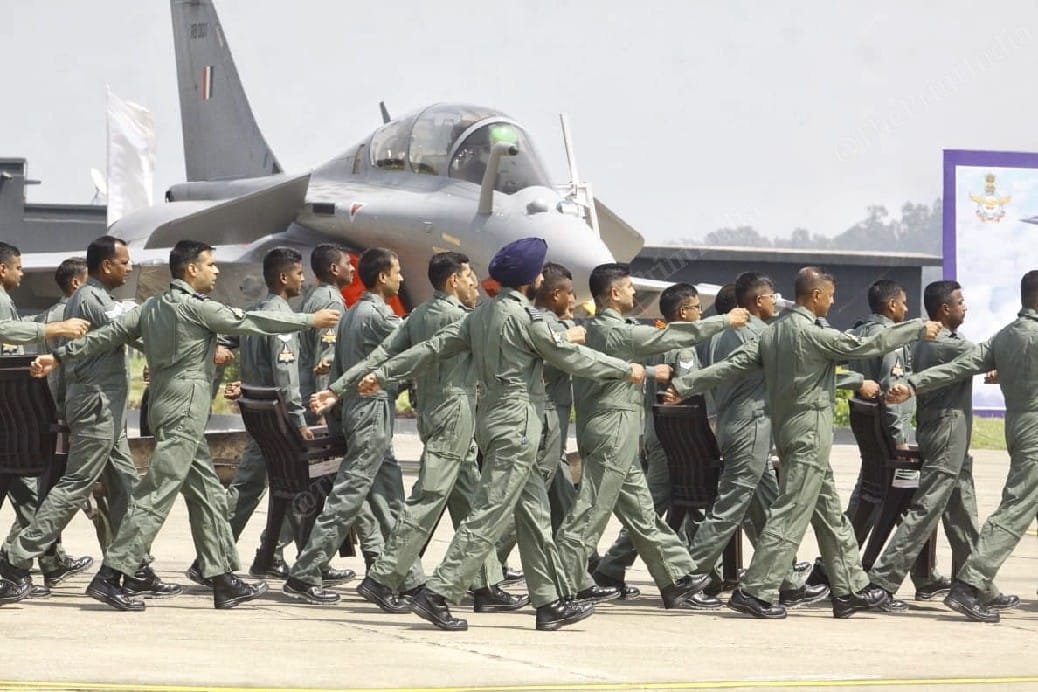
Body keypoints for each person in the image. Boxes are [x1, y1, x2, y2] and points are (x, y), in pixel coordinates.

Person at [29, 240, 341, 611]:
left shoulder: (153, 306)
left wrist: (59, 355)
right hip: (184, 412)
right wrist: (310, 320)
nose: (216, 270)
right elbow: (252, 322)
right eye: (210, 264)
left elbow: (105, 337)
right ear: (192, 269)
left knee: (207, 494)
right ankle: (111, 575)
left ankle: (221, 579)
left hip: (168, 408)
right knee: (156, 494)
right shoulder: (196, 307)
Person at [356, 238, 644, 631]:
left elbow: (433, 348)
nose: (541, 277)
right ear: (530, 279)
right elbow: (570, 356)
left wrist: (383, 373)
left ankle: (549, 602)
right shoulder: (526, 318)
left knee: (535, 515)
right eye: (539, 272)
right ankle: (438, 593)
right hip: (518, 424)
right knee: (488, 513)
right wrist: (624, 369)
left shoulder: (480, 315)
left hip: (493, 420)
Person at [664, 266, 939, 619]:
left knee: (829, 514)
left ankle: (849, 588)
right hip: (809, 433)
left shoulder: (772, 333)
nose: (833, 302)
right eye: (831, 295)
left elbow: (731, 366)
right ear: (816, 295)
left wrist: (685, 385)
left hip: (789, 432)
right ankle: (756, 590)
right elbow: (864, 345)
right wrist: (915, 329)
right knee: (791, 511)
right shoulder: (809, 332)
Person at [322, 252, 525, 614]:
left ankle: (486, 584)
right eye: (469, 278)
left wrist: (338, 387)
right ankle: (383, 578)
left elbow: (382, 354)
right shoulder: (461, 319)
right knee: (428, 498)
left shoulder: (419, 315)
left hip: (432, 411)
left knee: (469, 501)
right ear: (453, 281)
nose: (475, 285)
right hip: (454, 412)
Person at [554, 264, 748, 610]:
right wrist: (724, 321)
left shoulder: (603, 328)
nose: (634, 292)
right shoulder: (614, 331)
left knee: (643, 513)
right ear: (614, 293)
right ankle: (563, 584)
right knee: (590, 511)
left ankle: (677, 579)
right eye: (629, 287)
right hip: (612, 429)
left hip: (619, 429)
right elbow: (668, 337)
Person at [2, 238, 156, 600]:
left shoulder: (97, 298)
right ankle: (16, 559)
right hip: (96, 406)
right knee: (74, 484)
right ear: (106, 266)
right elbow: (127, 331)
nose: (129, 268)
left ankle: (134, 566)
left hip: (107, 408)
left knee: (125, 486)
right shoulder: (91, 299)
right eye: (123, 262)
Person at [888, 270, 1038, 623]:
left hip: (1019, 426)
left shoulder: (1006, 335)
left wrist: (913, 384)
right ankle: (969, 584)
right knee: (1016, 508)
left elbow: (958, 368)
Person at [674, 273, 827, 606]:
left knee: (766, 509)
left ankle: (785, 580)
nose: (776, 302)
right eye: (772, 296)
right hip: (751, 427)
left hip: (731, 423)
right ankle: (687, 578)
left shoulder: (718, 334)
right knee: (730, 506)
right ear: (758, 301)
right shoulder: (760, 334)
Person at [223, 248, 354, 585]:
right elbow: (300, 369)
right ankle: (306, 562)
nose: (303, 279)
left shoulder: (261, 311)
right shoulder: (317, 308)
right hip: (288, 414)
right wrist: (314, 414)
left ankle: (257, 554)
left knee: (260, 485)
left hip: (262, 413)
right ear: (284, 277)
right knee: (309, 484)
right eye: (297, 273)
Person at [283, 247, 406, 604]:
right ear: (382, 277)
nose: (401, 278)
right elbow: (411, 338)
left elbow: (336, 364)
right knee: (348, 496)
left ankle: (397, 574)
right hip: (369, 413)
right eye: (397, 271)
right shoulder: (375, 315)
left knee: (390, 498)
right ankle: (305, 573)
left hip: (363, 412)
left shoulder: (352, 313)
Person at [591, 282, 705, 597]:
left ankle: (676, 569)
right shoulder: (682, 347)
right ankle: (611, 568)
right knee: (648, 509)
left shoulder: (653, 341)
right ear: (683, 312)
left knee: (658, 507)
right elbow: (686, 391)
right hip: (675, 438)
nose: (700, 313)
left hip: (656, 432)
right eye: (697, 307)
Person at [0, 241, 92, 598]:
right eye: (18, 267)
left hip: (10, 411)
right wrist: (54, 329)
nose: (22, 274)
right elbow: (5, 331)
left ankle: (44, 564)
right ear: (2, 269)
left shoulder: (6, 299)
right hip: (9, 410)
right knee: (26, 482)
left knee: (27, 488)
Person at [494, 262, 582, 581]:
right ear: (556, 294)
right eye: (570, 293)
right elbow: (560, 364)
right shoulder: (547, 325)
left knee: (560, 496)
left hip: (549, 421)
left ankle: (577, 568)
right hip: (545, 420)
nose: (574, 299)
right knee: (531, 499)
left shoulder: (541, 321)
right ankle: (486, 564)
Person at [299, 244, 383, 573]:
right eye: (348, 264)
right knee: (346, 484)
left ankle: (276, 552)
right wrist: (325, 407)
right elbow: (325, 361)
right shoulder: (332, 302)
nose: (352, 269)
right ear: (334, 269)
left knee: (337, 485)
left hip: (316, 404)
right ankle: (372, 557)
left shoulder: (315, 297)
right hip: (325, 408)